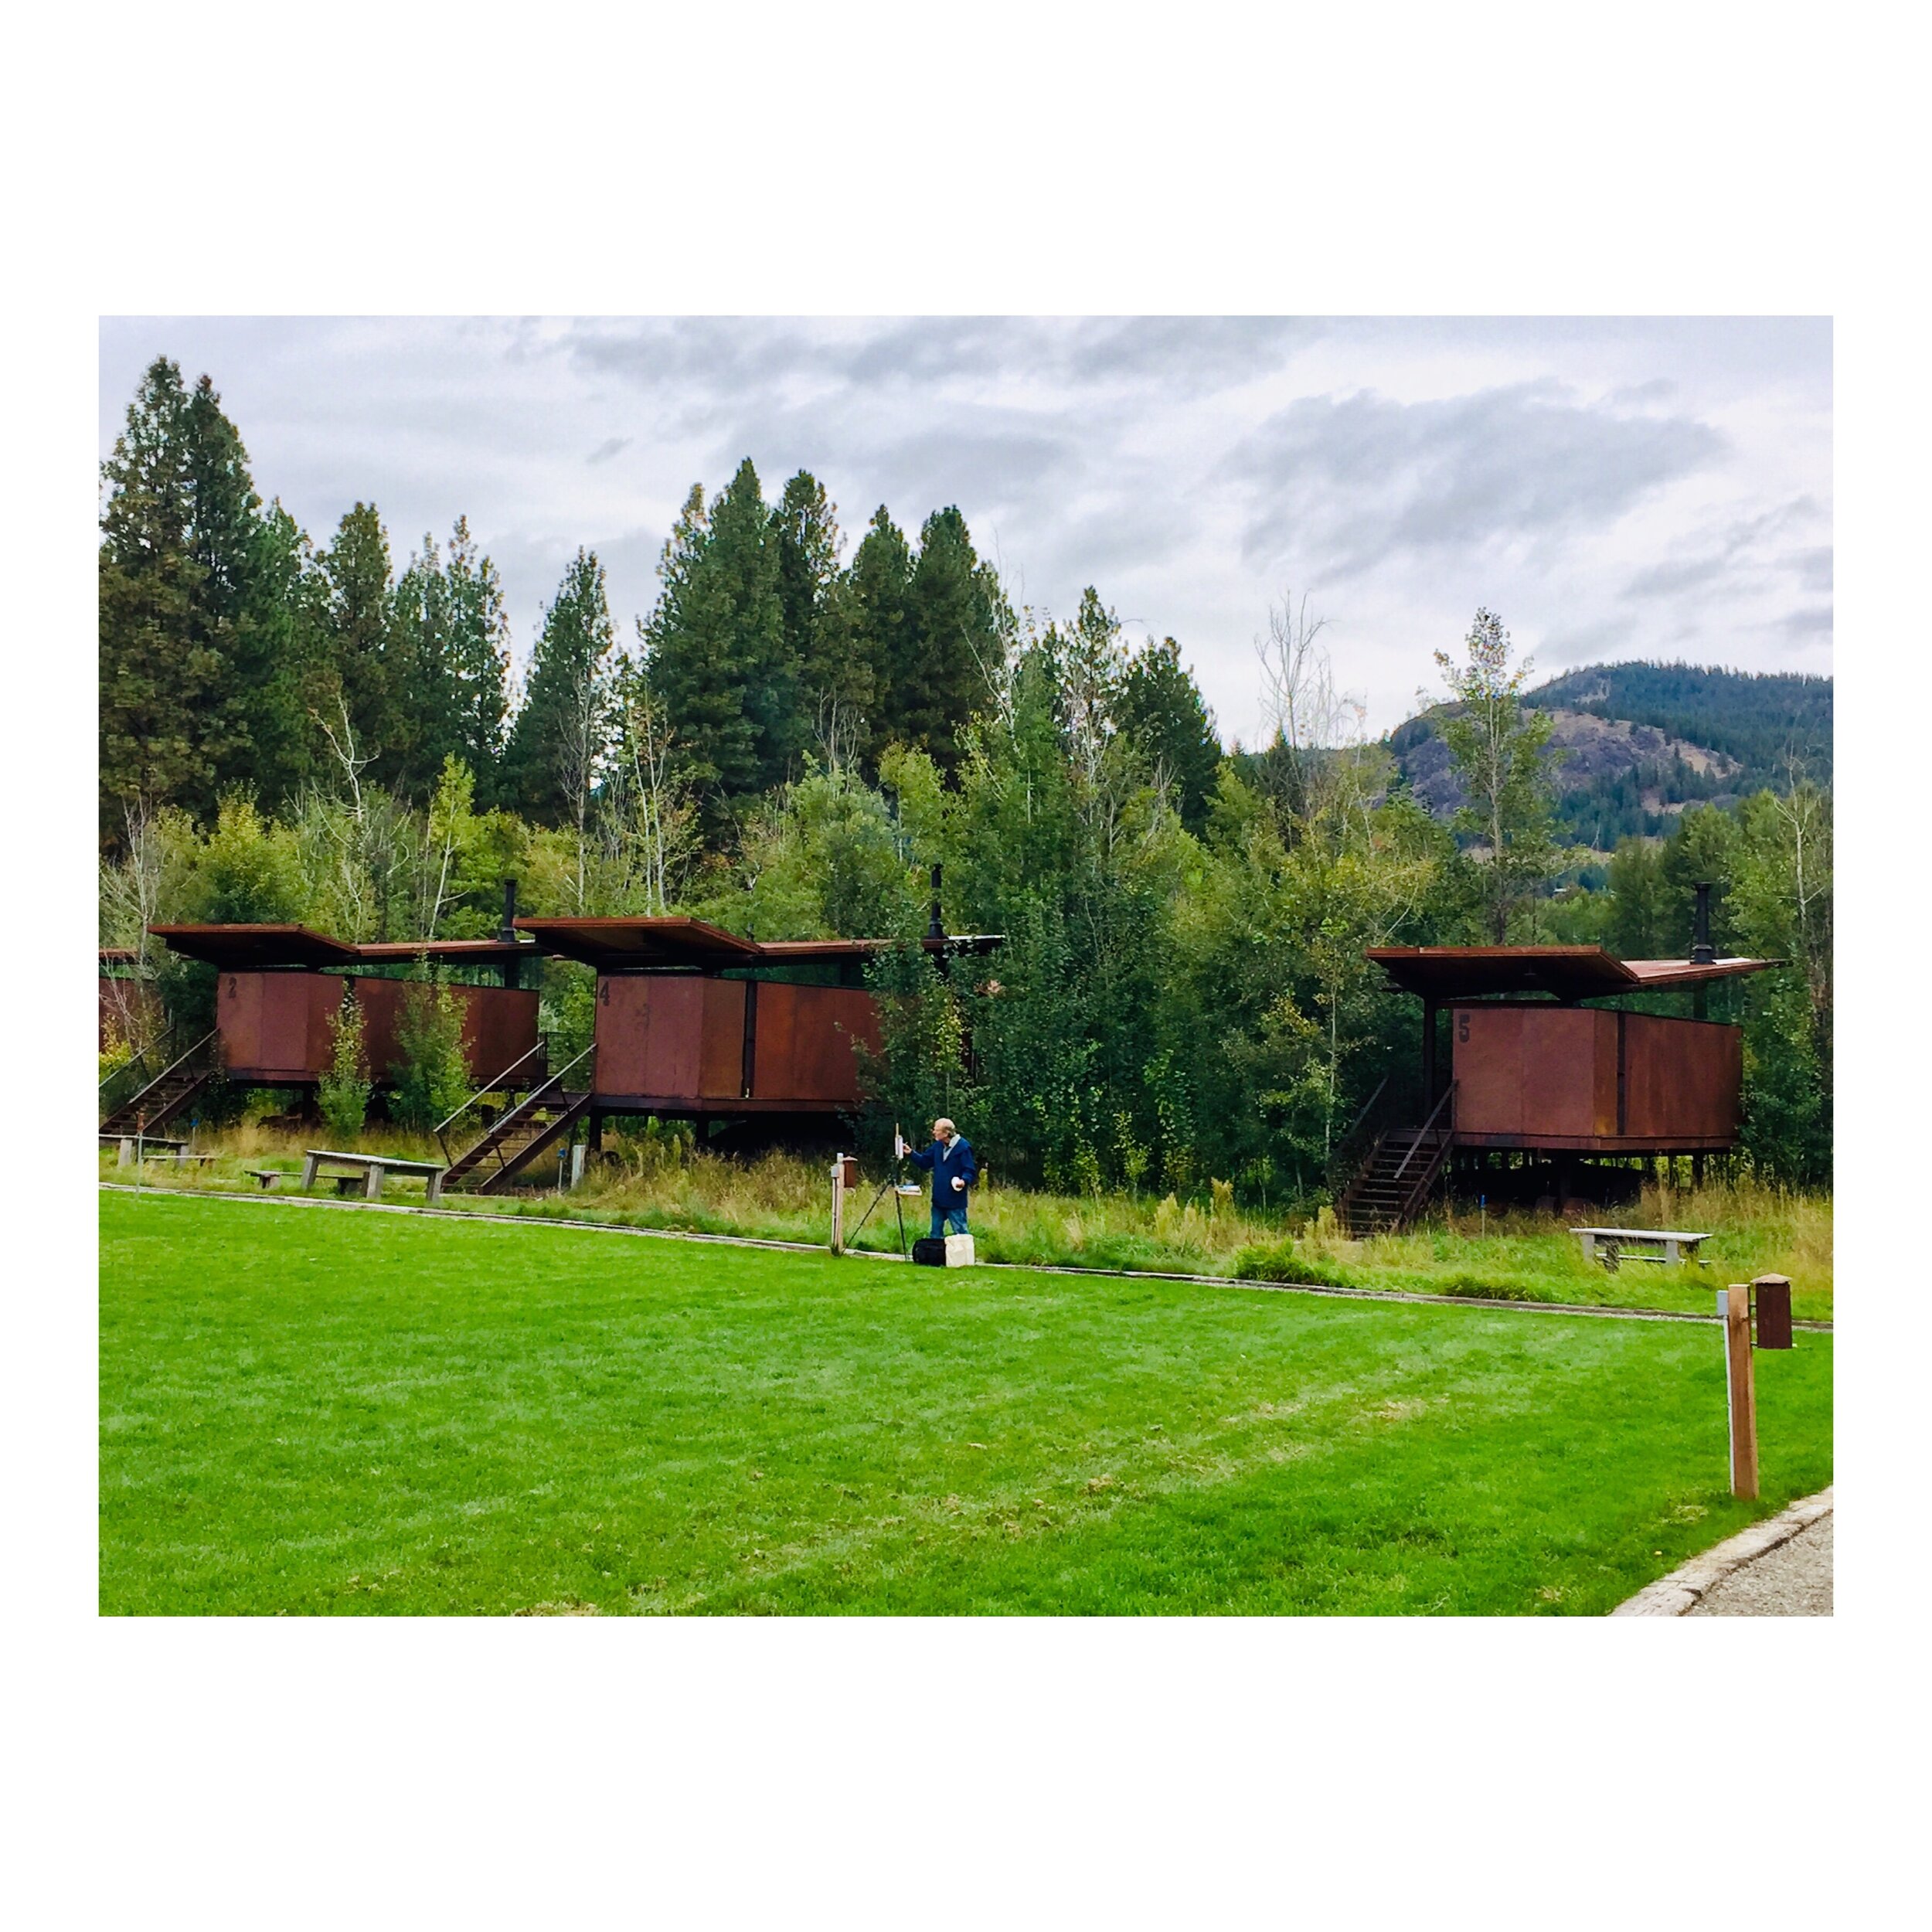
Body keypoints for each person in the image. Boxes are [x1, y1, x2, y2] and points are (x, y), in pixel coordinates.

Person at [903, 1117, 977, 1239]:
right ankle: (937, 1257)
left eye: (936, 1130)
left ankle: (964, 1258)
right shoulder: (938, 1146)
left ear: (946, 1133)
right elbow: (924, 1162)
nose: (933, 1132)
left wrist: (963, 1181)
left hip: (955, 1201)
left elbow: (969, 1170)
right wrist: (911, 1153)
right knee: (935, 1235)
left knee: (961, 1234)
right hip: (938, 1200)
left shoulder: (963, 1147)